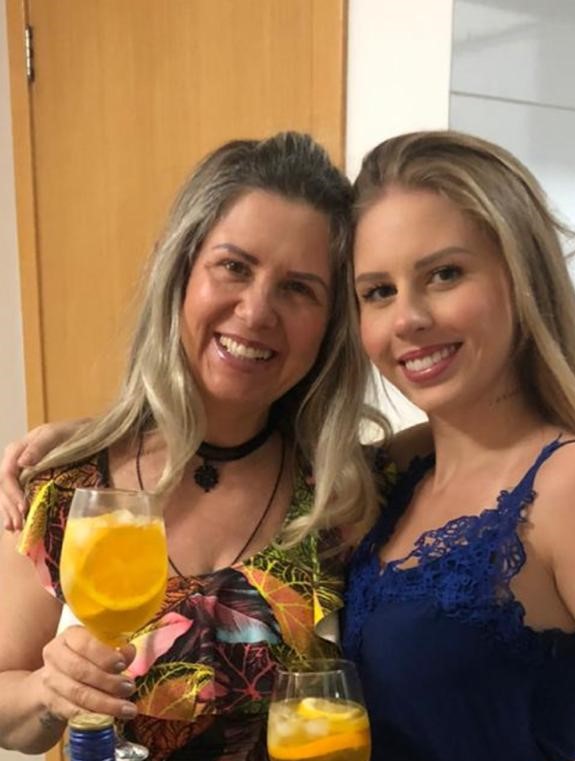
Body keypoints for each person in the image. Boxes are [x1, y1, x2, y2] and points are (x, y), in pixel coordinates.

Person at [0, 131, 391, 761]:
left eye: (298, 288)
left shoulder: (347, 495)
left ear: (330, 323)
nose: (257, 311)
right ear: (179, 271)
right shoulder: (66, 486)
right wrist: (48, 691)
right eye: (234, 266)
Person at [342, 131, 575, 761]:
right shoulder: (402, 471)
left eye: (444, 274)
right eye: (378, 291)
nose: (407, 318)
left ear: (522, 275)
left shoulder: (572, 483)